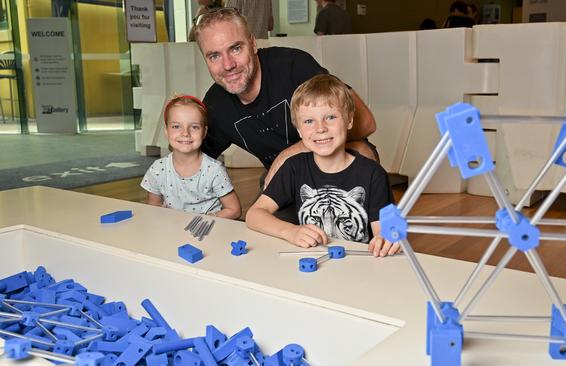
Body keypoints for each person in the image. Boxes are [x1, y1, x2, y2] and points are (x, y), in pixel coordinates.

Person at [192, 7, 377, 191]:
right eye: (214, 56)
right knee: (258, 218)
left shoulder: (293, 66)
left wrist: (290, 153)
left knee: (363, 152)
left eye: (236, 48)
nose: (228, 65)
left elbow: (367, 123)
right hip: (287, 180)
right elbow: (192, 161)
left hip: (336, 165)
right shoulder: (216, 104)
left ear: (253, 44)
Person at [246, 75, 400, 257]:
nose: (320, 128)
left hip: (359, 267)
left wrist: (388, 239)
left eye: (330, 117)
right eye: (309, 121)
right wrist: (290, 231)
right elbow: (254, 215)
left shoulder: (374, 174)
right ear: (299, 130)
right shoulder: (294, 168)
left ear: (349, 120)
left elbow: (391, 232)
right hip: (310, 263)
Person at [141, 95, 242, 219]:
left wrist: (205, 220)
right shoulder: (157, 169)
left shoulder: (214, 170)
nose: (185, 133)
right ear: (166, 130)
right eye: (176, 126)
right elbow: (153, 207)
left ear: (204, 132)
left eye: (194, 127)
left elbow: (234, 210)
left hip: (206, 231)